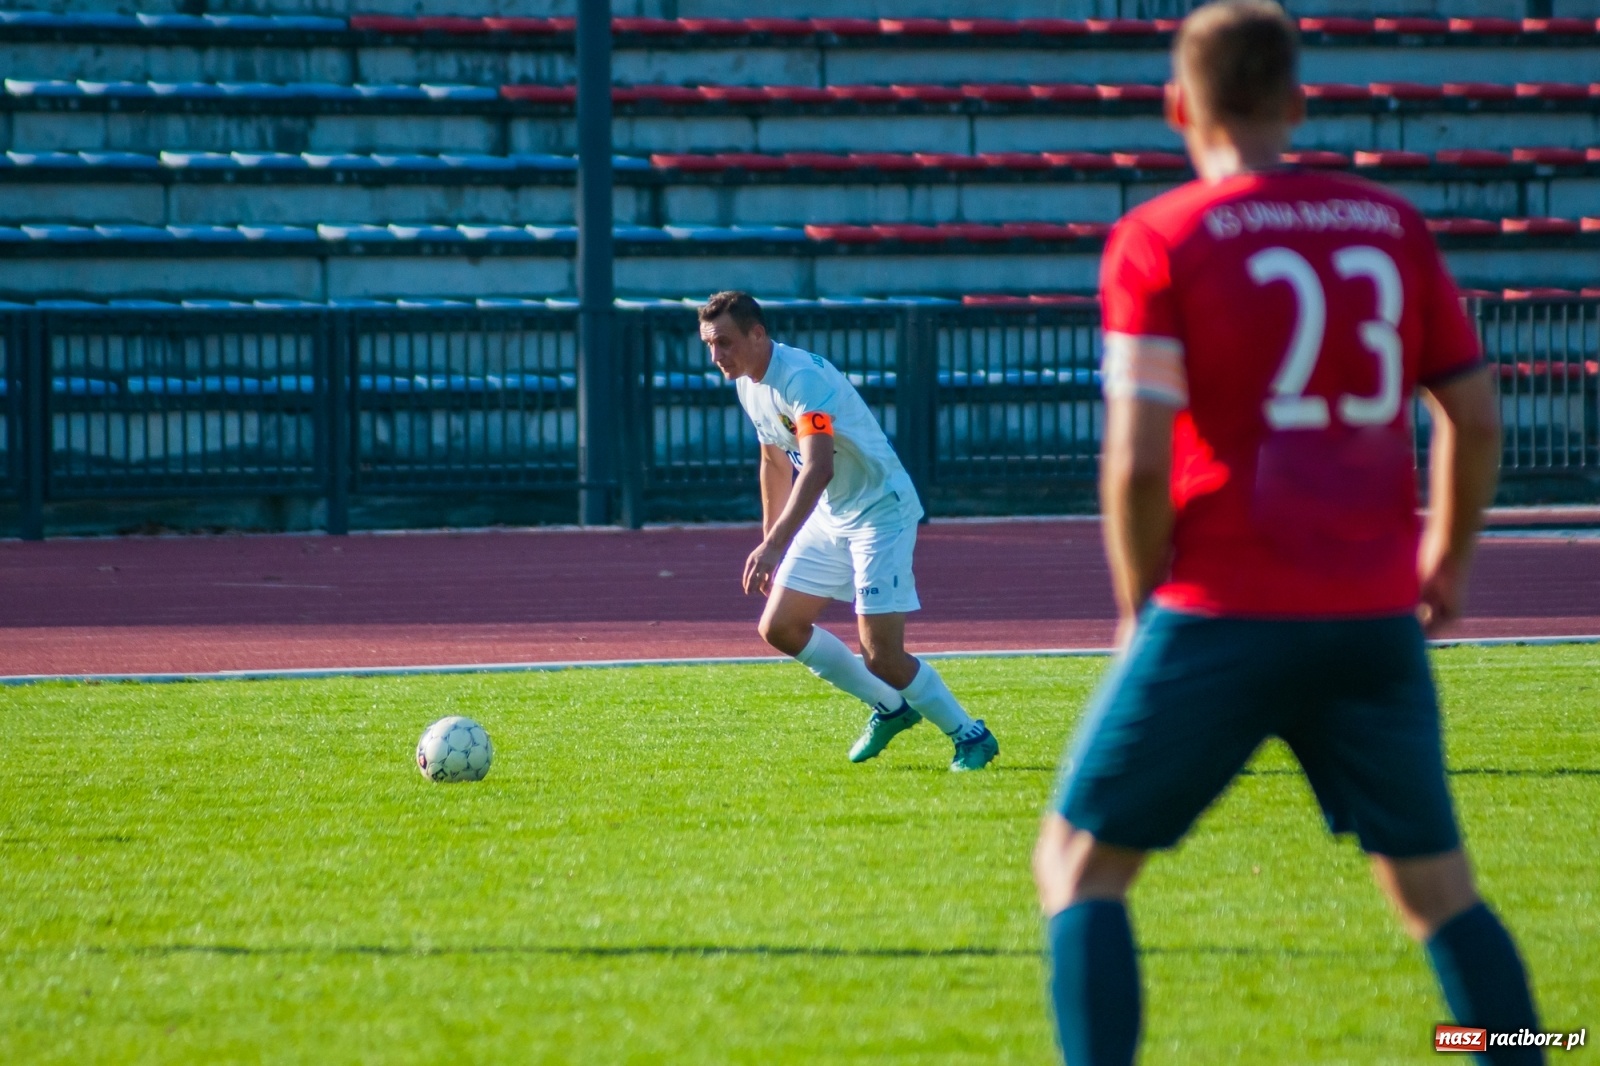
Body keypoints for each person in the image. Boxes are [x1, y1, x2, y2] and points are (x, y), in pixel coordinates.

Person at [1031, 2, 1543, 1063]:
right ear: (1299, 103)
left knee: (1078, 867)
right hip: (1369, 614)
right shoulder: (1386, 224)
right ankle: (1518, 1049)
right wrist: (1442, 560)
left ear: (1178, 105)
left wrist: (1138, 607)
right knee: (1436, 894)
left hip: (1222, 610)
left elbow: (1133, 460)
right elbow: (1476, 411)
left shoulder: (1159, 235)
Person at [697, 290, 999, 771]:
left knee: (882, 655)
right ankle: (890, 707)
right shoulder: (747, 383)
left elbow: (817, 468)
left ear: (758, 333)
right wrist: (770, 535)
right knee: (779, 627)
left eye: (725, 343)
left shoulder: (802, 380)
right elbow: (773, 462)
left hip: (880, 512)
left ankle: (971, 734)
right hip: (831, 514)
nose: (716, 357)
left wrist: (775, 547)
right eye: (709, 345)